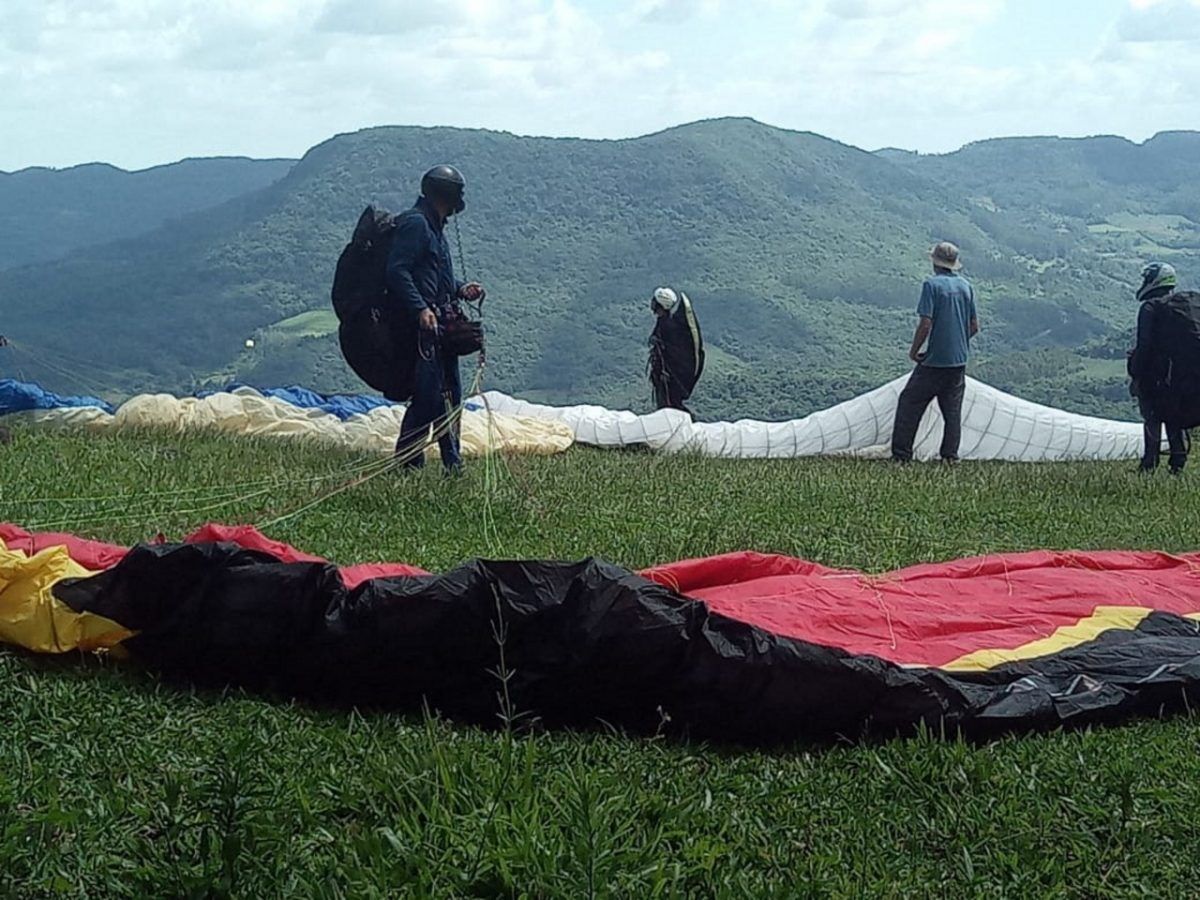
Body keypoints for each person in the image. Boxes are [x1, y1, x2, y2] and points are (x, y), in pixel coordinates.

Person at [386, 165, 486, 474]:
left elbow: (436, 278)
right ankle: (407, 465)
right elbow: (397, 270)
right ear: (448, 195)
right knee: (429, 398)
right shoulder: (416, 225)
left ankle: (452, 464)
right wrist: (420, 309)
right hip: (422, 328)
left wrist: (460, 290)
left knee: (451, 396)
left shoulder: (435, 227)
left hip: (441, 324)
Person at [890, 242, 980, 462]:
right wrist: (957, 342)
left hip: (934, 361)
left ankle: (901, 457)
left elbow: (925, 324)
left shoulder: (931, 285)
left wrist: (915, 351)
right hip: (958, 362)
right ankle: (950, 458)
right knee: (952, 412)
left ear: (935, 262)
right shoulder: (966, 287)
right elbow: (974, 326)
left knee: (909, 403)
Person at [1127, 262, 1197, 474]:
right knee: (1173, 410)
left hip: (1162, 379)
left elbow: (1144, 346)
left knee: (1153, 410)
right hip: (1188, 377)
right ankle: (1177, 461)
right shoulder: (1186, 305)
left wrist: (1135, 373)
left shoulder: (1150, 308)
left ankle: (1150, 462)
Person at [648, 287, 704, 417]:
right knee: (671, 405)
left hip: (668, 378)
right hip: (667, 376)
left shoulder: (666, 325)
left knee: (669, 405)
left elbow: (670, 351)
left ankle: (686, 422)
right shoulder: (669, 322)